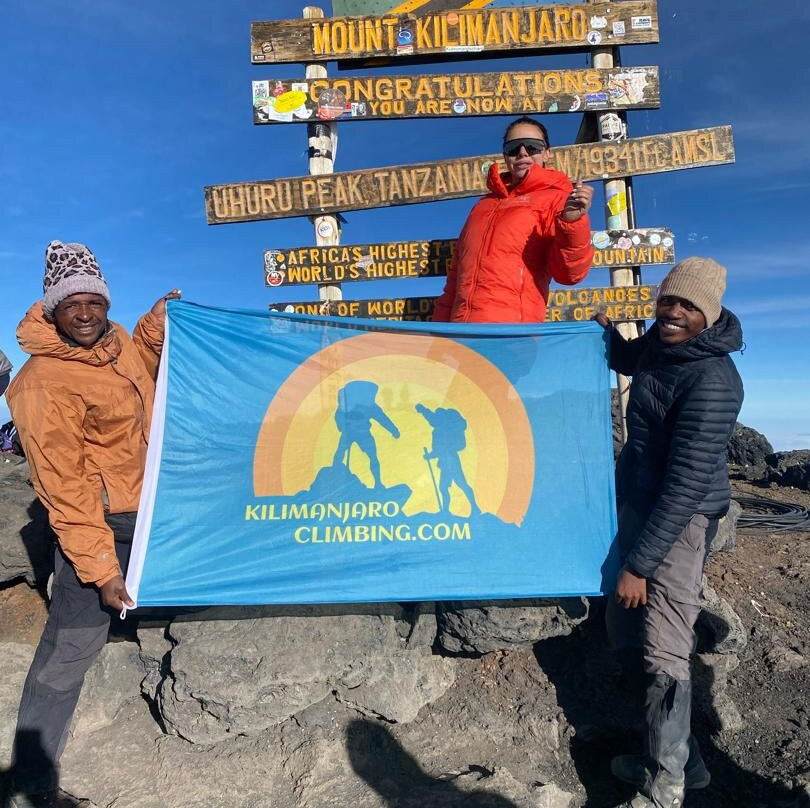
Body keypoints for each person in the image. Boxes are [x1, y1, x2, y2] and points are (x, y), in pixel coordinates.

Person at [5, 240, 179, 808]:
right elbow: (65, 488)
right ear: (51, 309)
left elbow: (142, 372)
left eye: (94, 302)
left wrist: (154, 325)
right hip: (100, 527)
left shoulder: (115, 347)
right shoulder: (40, 382)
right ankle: (32, 782)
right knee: (74, 645)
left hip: (150, 512)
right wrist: (101, 568)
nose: (85, 313)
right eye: (71, 304)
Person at [595, 257, 744, 808]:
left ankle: (664, 788)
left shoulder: (714, 381)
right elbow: (632, 358)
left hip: (681, 520)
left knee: (666, 644)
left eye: (687, 306)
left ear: (710, 313)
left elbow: (684, 488)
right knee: (629, 627)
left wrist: (640, 565)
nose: (674, 313)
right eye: (668, 301)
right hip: (642, 501)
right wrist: (608, 333)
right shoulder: (662, 344)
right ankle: (685, 760)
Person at [432, 115, 594, 323]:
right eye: (513, 147)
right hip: (461, 335)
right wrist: (438, 333)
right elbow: (455, 278)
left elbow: (569, 274)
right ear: (505, 155)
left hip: (511, 336)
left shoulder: (558, 199)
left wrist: (572, 222)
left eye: (533, 146)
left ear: (547, 153)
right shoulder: (483, 205)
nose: (523, 153)